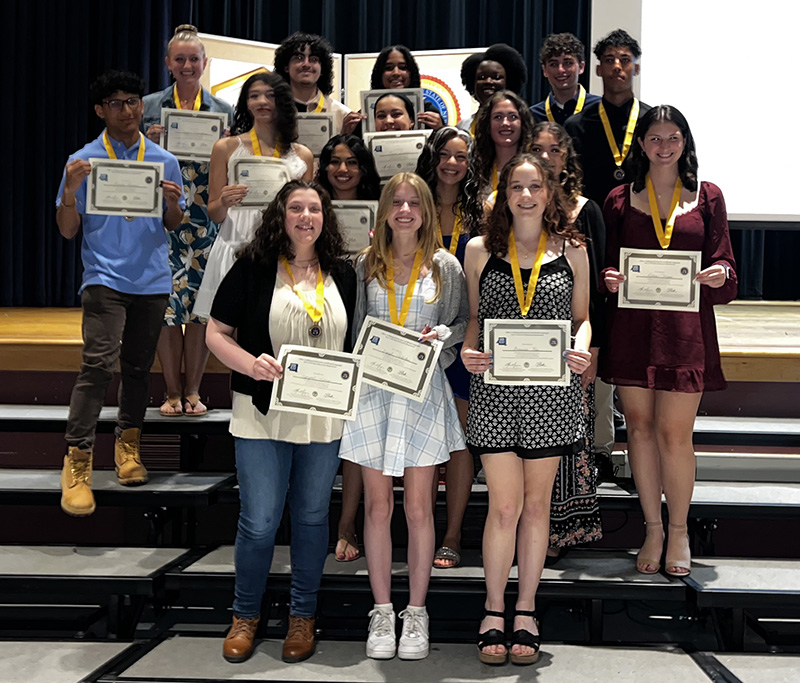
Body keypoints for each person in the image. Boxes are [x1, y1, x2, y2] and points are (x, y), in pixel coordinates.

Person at [206, 180, 357, 665]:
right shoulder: (252, 266)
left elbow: (358, 342)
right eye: (296, 208)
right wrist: (250, 364)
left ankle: (302, 616)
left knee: (313, 519)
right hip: (260, 413)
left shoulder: (345, 273)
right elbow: (215, 333)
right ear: (281, 215)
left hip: (322, 418)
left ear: (325, 217)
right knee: (260, 521)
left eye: (315, 208)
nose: (306, 216)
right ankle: (245, 615)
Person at [462, 154, 591, 665]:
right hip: (496, 395)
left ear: (549, 191)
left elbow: (582, 320)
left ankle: (527, 610)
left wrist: (582, 347)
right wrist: (471, 352)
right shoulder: (478, 251)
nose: (526, 195)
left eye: (535, 185)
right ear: (504, 194)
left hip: (552, 396)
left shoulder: (573, 250)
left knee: (537, 508)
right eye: (516, 186)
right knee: (504, 508)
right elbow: (475, 319)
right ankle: (494, 608)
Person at [601, 105, 737, 576]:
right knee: (637, 428)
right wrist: (609, 278)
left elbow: (726, 263)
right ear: (641, 144)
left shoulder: (708, 196)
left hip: (685, 333)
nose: (663, 146)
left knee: (674, 435)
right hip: (633, 330)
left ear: (685, 142)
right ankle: (653, 527)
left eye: (672, 137)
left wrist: (720, 273)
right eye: (654, 138)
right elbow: (603, 266)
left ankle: (679, 531)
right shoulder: (619, 198)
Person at [338, 173, 468, 660]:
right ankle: (381, 611)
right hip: (373, 394)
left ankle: (416, 613)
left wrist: (445, 341)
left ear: (427, 210)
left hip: (422, 393)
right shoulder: (363, 264)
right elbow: (352, 329)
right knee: (377, 507)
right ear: (385, 210)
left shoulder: (446, 267)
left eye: (415, 202)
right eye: (398, 202)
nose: (406, 210)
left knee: (418, 508)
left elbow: (460, 324)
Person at [57, 70, 185, 517]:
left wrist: (171, 203)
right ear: (100, 110)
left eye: (133, 101)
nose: (128, 110)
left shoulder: (164, 161)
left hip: (150, 281)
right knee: (96, 365)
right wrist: (70, 193)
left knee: (135, 369)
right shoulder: (83, 160)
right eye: (116, 103)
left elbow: (174, 224)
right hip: (104, 279)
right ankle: (78, 460)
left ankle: (128, 448)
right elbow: (68, 230)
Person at [564, 28, 651, 478]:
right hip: (590, 246)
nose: (617, 66)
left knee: (630, 344)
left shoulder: (654, 122)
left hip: (641, 249)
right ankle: (595, 444)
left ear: (636, 66)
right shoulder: (577, 127)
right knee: (592, 337)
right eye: (609, 59)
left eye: (626, 59)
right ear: (596, 68)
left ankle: (627, 441)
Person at [142, 24, 235, 417]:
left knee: (199, 308)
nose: (186, 65)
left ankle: (194, 391)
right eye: (179, 59)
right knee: (167, 308)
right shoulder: (148, 107)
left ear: (204, 63)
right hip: (163, 216)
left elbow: (233, 165)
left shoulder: (224, 111)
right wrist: (150, 142)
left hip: (205, 218)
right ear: (168, 63)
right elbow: (130, 162)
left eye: (193, 59)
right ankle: (171, 391)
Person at [531, 122, 605, 563]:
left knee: (566, 441)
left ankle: (561, 531)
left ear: (566, 157)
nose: (545, 156)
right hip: (521, 355)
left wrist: (591, 351)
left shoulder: (584, 210)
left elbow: (593, 294)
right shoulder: (513, 208)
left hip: (570, 351)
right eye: (536, 149)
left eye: (553, 150)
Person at [193, 71, 313, 319]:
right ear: (246, 103)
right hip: (236, 241)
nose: (262, 102)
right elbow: (214, 214)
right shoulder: (225, 147)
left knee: (280, 320)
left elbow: (308, 213)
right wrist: (224, 201)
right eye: (254, 96)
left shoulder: (303, 156)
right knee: (230, 325)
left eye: (270, 96)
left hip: (284, 245)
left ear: (282, 100)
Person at [415, 126, 481, 568]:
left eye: (461, 156)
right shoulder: (411, 202)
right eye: (445, 155)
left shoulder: (481, 213)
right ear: (433, 157)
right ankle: (415, 526)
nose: (453, 163)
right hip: (413, 335)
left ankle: (452, 533)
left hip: (461, 338)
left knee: (458, 441)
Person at [314, 134, 380, 562]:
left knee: (356, 437)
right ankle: (316, 521)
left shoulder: (382, 210)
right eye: (335, 162)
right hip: (321, 313)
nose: (343, 170)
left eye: (352, 162)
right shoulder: (310, 207)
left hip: (368, 316)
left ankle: (347, 524)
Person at [273, 31, 362, 135]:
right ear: (286, 67)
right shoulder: (272, 108)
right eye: (299, 58)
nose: (306, 64)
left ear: (322, 69)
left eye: (313, 59)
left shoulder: (342, 115)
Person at [465, 90, 535, 216]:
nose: (505, 123)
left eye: (513, 117)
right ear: (488, 124)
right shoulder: (474, 170)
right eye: (498, 117)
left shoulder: (535, 170)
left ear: (522, 122)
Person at [531, 32, 600, 125]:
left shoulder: (599, 109)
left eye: (568, 63)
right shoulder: (533, 115)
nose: (560, 70)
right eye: (554, 64)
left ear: (581, 67)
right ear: (545, 70)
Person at [457, 43, 528, 134]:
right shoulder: (462, 127)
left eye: (497, 78)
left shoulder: (521, 125)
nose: (488, 81)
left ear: (509, 82)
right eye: (482, 77)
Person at [369, 45, 443, 129]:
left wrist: (440, 129)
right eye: (388, 68)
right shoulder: (365, 116)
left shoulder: (429, 112)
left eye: (403, 67)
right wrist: (350, 133)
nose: (396, 73)